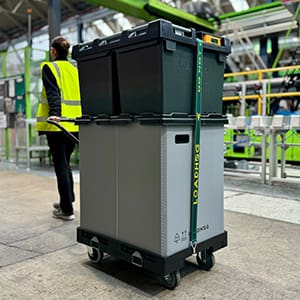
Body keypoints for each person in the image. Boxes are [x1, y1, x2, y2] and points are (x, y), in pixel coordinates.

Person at [36, 36, 82, 221]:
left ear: (54, 51)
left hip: (58, 124)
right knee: (65, 162)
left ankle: (66, 210)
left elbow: (53, 93)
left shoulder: (50, 67)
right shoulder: (75, 68)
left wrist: (55, 114)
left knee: (60, 165)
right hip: (74, 123)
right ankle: (67, 199)